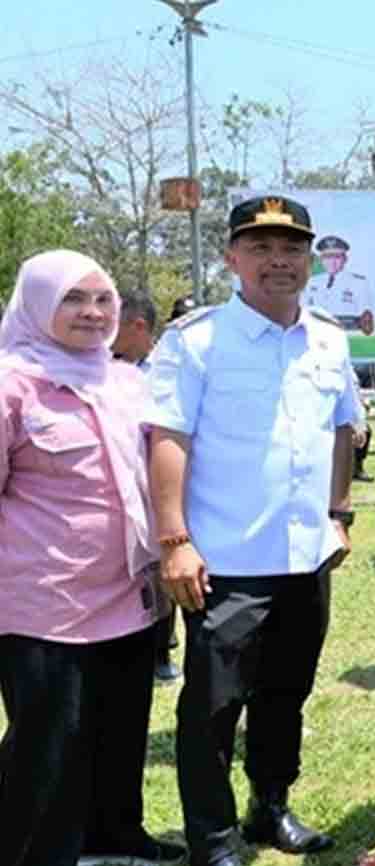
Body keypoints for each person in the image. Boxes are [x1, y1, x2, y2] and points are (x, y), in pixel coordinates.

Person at [146, 195, 361, 866]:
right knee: (213, 706)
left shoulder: (328, 337)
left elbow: (342, 429)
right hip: (227, 559)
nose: (278, 261)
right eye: (261, 248)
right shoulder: (197, 340)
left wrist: (338, 513)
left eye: (291, 248)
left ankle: (270, 808)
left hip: (304, 556)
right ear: (232, 257)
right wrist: (175, 540)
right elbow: (167, 439)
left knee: (285, 695)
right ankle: (212, 837)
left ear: (310, 259)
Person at [0, 251, 185, 866]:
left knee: (120, 728)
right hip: (42, 601)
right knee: (47, 742)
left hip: (128, 595)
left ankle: (116, 835)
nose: (92, 312)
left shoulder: (126, 381)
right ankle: (33, 850)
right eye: (72, 299)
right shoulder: (12, 384)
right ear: (36, 305)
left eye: (102, 299)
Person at [111, 290, 184, 683]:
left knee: (169, 574)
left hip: (168, 491)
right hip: (129, 491)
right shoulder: (105, 372)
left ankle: (162, 652)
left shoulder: (168, 369)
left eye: (114, 324)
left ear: (137, 326)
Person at [305, 234, 375, 335]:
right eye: (327, 257)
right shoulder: (312, 282)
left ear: (345, 259)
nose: (332, 262)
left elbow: (366, 321)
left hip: (346, 336)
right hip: (316, 336)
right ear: (321, 259)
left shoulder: (358, 283)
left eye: (337, 257)